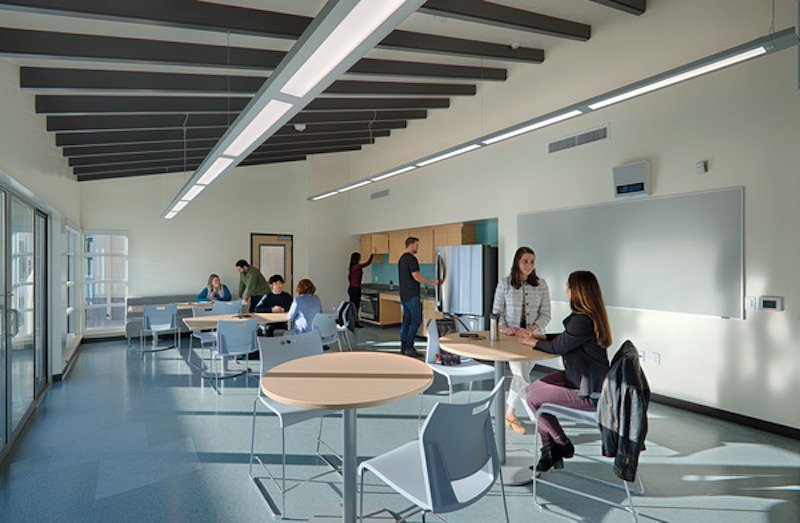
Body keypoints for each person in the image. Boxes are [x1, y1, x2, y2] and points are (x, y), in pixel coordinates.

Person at [520, 270, 611, 473]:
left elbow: (558, 347)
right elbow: (566, 338)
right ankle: (550, 449)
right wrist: (541, 338)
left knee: (534, 399)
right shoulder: (589, 316)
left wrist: (534, 342)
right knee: (531, 391)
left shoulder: (582, 321)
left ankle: (560, 445)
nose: (566, 290)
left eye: (568, 287)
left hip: (589, 392)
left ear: (576, 292)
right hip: (581, 378)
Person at [492, 247, 551, 435]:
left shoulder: (541, 284)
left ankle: (509, 414)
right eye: (525, 261)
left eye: (532, 261)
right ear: (517, 262)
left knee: (520, 378)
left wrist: (531, 330)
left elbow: (546, 315)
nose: (529, 265)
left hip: (533, 340)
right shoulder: (505, 283)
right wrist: (510, 330)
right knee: (523, 378)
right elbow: (497, 314)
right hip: (511, 340)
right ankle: (540, 420)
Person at [398, 237, 439, 358]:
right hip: (413, 296)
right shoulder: (411, 259)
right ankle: (409, 347)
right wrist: (431, 282)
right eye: (416, 245)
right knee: (416, 321)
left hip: (404, 296)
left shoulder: (402, 259)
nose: (417, 247)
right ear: (410, 245)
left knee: (406, 322)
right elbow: (416, 276)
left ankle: (404, 347)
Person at [347, 248, 375, 327]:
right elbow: (367, 263)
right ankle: (355, 322)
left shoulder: (352, 267)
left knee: (352, 306)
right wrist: (372, 254)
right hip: (356, 289)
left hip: (351, 288)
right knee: (356, 306)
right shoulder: (357, 267)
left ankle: (351, 322)